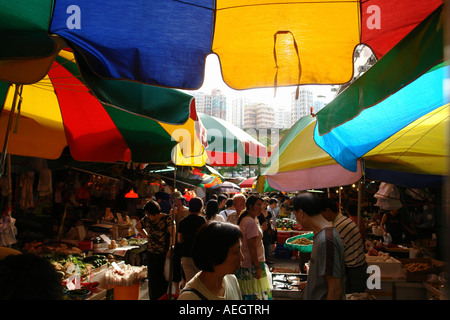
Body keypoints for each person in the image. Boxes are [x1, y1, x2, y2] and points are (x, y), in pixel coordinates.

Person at [292, 193, 345, 300]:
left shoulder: (326, 240)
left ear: (301, 213)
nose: (297, 219)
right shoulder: (321, 235)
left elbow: (335, 288)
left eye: (296, 215)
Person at [178, 221, 243, 300]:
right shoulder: (189, 297)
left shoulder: (231, 280)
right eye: (236, 252)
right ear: (216, 255)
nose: (242, 257)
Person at [319, 198, 368, 294]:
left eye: (321, 213)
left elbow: (337, 256)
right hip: (358, 268)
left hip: (355, 272)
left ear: (328, 211)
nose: (321, 217)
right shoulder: (343, 220)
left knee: (353, 296)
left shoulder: (340, 226)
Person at [136, 200, 174, 300]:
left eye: (148, 213)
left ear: (153, 212)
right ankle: (153, 298)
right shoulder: (147, 220)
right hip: (151, 252)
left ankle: (162, 297)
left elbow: (172, 234)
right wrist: (146, 235)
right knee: (152, 278)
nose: (147, 215)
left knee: (162, 278)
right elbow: (138, 226)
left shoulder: (167, 219)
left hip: (164, 253)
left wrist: (171, 248)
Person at [235, 195, 272, 300]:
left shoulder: (251, 219)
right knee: (254, 293)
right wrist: (257, 267)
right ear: (250, 206)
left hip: (249, 262)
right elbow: (252, 246)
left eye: (262, 204)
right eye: (258, 205)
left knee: (249, 292)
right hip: (252, 263)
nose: (261, 207)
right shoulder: (250, 221)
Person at [177, 197, 206, 282]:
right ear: (201, 208)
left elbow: (179, 239)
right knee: (200, 282)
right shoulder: (202, 221)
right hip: (199, 255)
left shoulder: (183, 221)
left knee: (190, 282)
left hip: (186, 255)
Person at [170, 191, 190, 294]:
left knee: (185, 263)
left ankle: (184, 284)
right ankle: (177, 289)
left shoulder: (187, 211)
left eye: (178, 200)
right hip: (175, 240)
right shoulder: (172, 212)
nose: (177, 202)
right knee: (176, 264)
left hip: (185, 240)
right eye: (175, 200)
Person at [258, 200, 274, 267]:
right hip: (261, 230)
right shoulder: (258, 213)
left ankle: (268, 259)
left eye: (265, 203)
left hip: (268, 231)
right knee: (262, 244)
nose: (264, 204)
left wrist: (271, 224)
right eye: (263, 203)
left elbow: (270, 220)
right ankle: (262, 260)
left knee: (268, 245)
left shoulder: (269, 213)